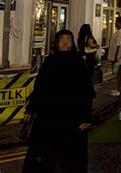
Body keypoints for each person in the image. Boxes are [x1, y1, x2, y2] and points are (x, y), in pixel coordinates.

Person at [22, 30, 95, 173]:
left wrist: (86, 118)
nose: (65, 42)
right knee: (45, 157)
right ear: (56, 42)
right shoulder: (50, 61)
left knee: (69, 159)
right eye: (61, 39)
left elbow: (86, 91)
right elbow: (39, 88)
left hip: (72, 119)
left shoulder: (79, 62)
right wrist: (30, 109)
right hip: (48, 117)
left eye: (68, 39)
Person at [107, 16, 121, 97]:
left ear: (119, 23)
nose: (115, 23)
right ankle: (119, 88)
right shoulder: (120, 32)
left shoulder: (120, 33)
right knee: (117, 74)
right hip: (115, 56)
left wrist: (116, 57)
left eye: (116, 22)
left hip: (117, 57)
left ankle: (119, 89)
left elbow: (119, 45)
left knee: (119, 74)